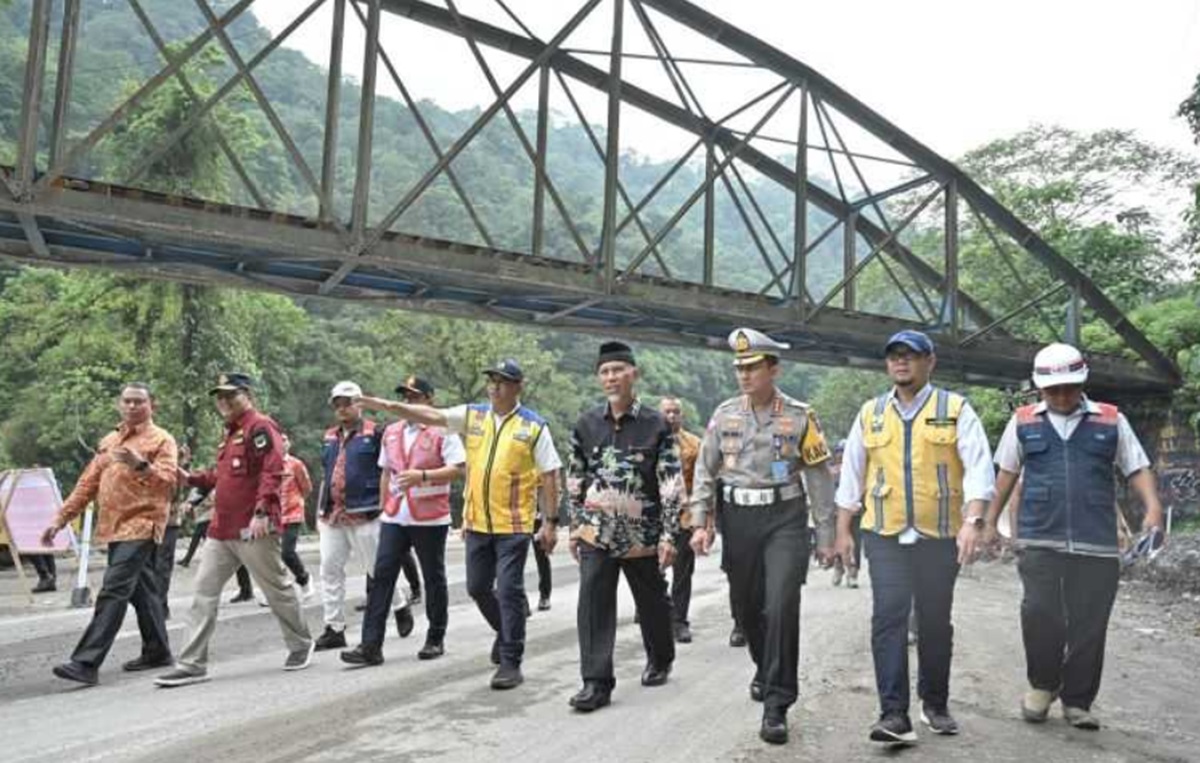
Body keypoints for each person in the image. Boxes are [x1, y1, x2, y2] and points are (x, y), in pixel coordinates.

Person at [983, 343, 1165, 730]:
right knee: (1039, 612)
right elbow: (1007, 474)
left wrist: (1152, 508)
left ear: (1082, 382)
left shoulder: (1111, 420)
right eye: (1053, 390)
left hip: (1096, 539)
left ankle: (1078, 700)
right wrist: (988, 522)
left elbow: (1137, 467)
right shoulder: (1024, 421)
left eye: (1069, 388)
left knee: (1090, 622)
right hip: (1039, 537)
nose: (1062, 396)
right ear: (1039, 390)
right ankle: (1042, 684)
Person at [358, 358, 562, 690]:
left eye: (503, 381)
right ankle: (506, 628)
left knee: (509, 590)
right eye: (492, 380)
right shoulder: (474, 415)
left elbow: (550, 473)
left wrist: (550, 522)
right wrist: (382, 404)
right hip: (478, 522)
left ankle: (511, 660)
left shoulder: (534, 426)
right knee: (477, 587)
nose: (495, 386)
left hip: (513, 525)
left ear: (517, 387)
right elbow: (431, 415)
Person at [833, 330, 996, 745]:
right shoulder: (870, 413)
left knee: (934, 621)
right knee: (887, 616)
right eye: (894, 356)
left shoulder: (955, 409)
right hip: (884, 533)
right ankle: (893, 714)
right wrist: (842, 533)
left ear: (930, 362)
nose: (901, 362)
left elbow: (979, 469)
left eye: (910, 355)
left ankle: (935, 702)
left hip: (939, 535)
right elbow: (851, 475)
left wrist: (973, 521)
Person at [689, 328, 837, 745]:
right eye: (739, 368)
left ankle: (777, 703)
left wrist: (825, 534)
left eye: (753, 367)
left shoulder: (801, 415)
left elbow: (818, 476)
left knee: (781, 604)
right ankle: (764, 666)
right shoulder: (724, 414)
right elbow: (705, 469)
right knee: (748, 609)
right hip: (738, 520)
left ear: (774, 368)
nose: (744, 375)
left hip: (785, 519)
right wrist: (700, 522)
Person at [156, 373, 314, 687]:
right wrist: (190, 478)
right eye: (219, 397)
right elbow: (221, 475)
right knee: (203, 593)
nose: (224, 402)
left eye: (231, 395)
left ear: (247, 394)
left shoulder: (260, 427)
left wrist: (261, 512)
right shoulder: (229, 434)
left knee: (277, 588)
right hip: (220, 528)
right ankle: (191, 664)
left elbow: (273, 469)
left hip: (252, 527)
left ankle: (301, 644)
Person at [565, 342, 681, 713]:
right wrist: (574, 526)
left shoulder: (656, 424)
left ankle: (661, 656)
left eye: (618, 369)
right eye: (605, 371)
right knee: (594, 602)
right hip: (596, 532)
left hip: (642, 535)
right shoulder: (586, 424)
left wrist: (668, 534)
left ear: (635, 374)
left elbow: (670, 483)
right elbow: (575, 479)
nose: (611, 377)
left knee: (651, 601)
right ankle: (595, 682)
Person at [41, 382, 178, 686]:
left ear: (151, 405)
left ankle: (86, 663)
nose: (131, 406)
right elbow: (88, 483)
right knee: (143, 592)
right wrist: (60, 519)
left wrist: (143, 466)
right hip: (114, 528)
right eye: (127, 401)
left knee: (113, 590)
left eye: (138, 401)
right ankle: (157, 651)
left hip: (141, 525)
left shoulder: (162, 440)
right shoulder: (110, 440)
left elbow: (169, 483)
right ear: (119, 404)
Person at [341, 376, 465, 666]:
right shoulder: (393, 431)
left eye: (415, 396)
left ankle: (435, 637)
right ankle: (371, 645)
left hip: (430, 518)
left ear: (429, 400)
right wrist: (385, 507)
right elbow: (386, 471)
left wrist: (423, 476)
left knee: (433, 577)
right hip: (396, 515)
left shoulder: (442, 430)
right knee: (381, 576)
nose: (409, 401)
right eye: (405, 396)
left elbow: (458, 468)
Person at [314, 381, 412, 651]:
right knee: (329, 569)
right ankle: (334, 627)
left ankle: (400, 605)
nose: (343, 408)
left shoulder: (376, 433)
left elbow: (389, 470)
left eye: (348, 402)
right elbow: (327, 474)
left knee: (376, 570)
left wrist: (388, 505)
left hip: (366, 511)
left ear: (360, 403)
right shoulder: (330, 436)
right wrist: (319, 511)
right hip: (333, 514)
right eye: (338, 404)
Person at [659, 396, 702, 643]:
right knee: (653, 569)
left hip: (684, 516)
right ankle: (655, 611)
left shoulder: (694, 444)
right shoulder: (647, 440)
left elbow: (701, 484)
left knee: (683, 572)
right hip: (654, 516)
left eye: (676, 412)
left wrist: (702, 521)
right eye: (667, 412)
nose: (672, 416)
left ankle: (679, 621)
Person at [279, 433, 314, 599]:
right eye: (279, 439)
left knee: (287, 552)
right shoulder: (268, 464)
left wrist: (297, 501)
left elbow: (307, 487)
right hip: (273, 515)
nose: (282, 443)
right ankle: (278, 589)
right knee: (270, 555)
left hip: (292, 513)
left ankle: (304, 579)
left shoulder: (295, 464)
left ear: (289, 443)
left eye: (285, 439)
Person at [827, 441, 861, 588]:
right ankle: (838, 567)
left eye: (844, 451)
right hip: (836, 513)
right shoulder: (831, 471)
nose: (841, 454)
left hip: (855, 513)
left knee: (856, 544)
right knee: (837, 541)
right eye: (839, 451)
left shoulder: (857, 470)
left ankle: (853, 573)